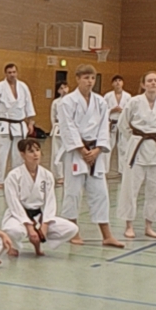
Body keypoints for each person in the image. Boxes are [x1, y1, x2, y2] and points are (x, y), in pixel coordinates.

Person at [52, 65, 124, 248]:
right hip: (76, 153)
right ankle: (73, 231)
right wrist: (82, 150)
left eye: (92, 78)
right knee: (72, 192)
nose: (89, 81)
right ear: (77, 79)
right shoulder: (66, 102)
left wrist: (98, 149)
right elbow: (67, 127)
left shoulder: (100, 102)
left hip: (95, 153)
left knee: (101, 193)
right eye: (86, 78)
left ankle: (107, 235)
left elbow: (103, 127)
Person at [118, 71, 156, 239]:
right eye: (149, 81)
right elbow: (122, 124)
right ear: (143, 84)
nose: (153, 83)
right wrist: (135, 138)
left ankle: (149, 225)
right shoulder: (134, 102)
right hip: (137, 146)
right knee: (130, 189)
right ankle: (129, 225)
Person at [2, 139, 77, 254]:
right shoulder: (13, 176)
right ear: (23, 154)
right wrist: (29, 227)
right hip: (18, 216)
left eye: (37, 150)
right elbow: (14, 203)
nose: (35, 154)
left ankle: (41, 240)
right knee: (12, 230)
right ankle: (14, 246)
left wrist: (44, 226)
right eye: (31, 151)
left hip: (40, 216)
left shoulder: (47, 175)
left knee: (72, 228)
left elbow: (50, 202)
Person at [0, 63, 36, 189]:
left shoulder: (23, 87)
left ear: (17, 72)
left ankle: (17, 179)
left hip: (19, 125)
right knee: (0, 154)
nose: (12, 74)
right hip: (5, 124)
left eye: (14, 72)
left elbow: (28, 104)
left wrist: (30, 122)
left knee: (19, 155)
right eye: (9, 72)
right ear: (5, 74)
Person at [103, 74, 132, 181]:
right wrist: (111, 110)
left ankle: (123, 171)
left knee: (123, 148)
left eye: (120, 80)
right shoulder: (107, 96)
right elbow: (102, 111)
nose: (118, 83)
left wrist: (122, 111)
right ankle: (105, 171)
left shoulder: (128, 96)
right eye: (115, 81)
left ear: (123, 83)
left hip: (123, 125)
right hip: (111, 124)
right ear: (112, 84)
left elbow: (130, 111)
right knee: (107, 148)